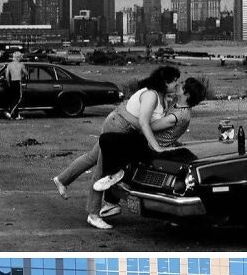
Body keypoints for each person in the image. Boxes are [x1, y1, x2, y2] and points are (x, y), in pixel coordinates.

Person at [52, 65, 181, 230]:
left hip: (120, 123)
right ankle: (93, 214)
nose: (177, 84)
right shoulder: (151, 95)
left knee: (93, 157)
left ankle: (62, 179)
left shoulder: (161, 96)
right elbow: (143, 122)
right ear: (164, 82)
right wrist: (156, 147)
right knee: (102, 169)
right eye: (175, 81)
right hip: (119, 126)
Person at [95, 76, 207, 188]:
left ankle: (115, 176)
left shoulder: (178, 116)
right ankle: (115, 177)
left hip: (150, 146)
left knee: (107, 140)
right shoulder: (177, 103)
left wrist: (123, 113)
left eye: (182, 85)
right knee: (109, 142)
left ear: (187, 94)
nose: (178, 85)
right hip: (147, 140)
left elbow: (147, 126)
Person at [4, 51, 27, 120]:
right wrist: (22, 74)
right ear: (18, 57)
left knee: (13, 99)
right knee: (18, 99)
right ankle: (9, 112)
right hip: (18, 82)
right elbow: (26, 73)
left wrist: (8, 83)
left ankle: (17, 116)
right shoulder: (21, 64)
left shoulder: (9, 64)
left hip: (11, 82)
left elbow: (7, 75)